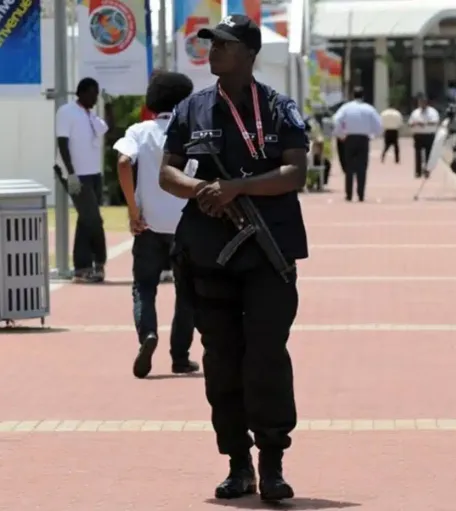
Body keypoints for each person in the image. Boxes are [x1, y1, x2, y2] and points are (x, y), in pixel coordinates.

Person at [159, 14, 308, 503]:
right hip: (208, 254)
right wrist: (203, 189)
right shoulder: (191, 110)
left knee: (265, 356)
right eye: (211, 43)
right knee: (221, 360)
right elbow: (168, 173)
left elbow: (293, 172)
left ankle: (273, 461)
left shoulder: (280, 108)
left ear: (248, 53)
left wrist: (238, 188)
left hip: (268, 253)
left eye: (222, 44)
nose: (212, 50)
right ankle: (237, 462)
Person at [113, 71, 199, 379]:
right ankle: (180, 357)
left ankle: (147, 335)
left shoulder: (139, 130)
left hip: (148, 225)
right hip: (185, 225)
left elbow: (123, 162)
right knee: (186, 292)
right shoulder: (189, 132)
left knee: (144, 287)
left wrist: (134, 211)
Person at [55, 77, 112, 283]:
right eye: (93, 94)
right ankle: (99, 263)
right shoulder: (67, 111)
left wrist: (110, 105)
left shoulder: (91, 115)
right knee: (94, 220)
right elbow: (62, 142)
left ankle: (81, 267)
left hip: (93, 174)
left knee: (86, 219)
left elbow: (108, 128)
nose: (96, 98)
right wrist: (70, 173)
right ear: (82, 92)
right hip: (74, 174)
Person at [333, 86, 382, 202]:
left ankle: (349, 194)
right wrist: (372, 135)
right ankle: (361, 194)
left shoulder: (346, 108)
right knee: (362, 167)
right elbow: (379, 126)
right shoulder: (369, 109)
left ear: (352, 95)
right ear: (363, 96)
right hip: (363, 139)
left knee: (349, 167)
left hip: (349, 138)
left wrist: (340, 135)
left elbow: (336, 120)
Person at [407, 94, 440, 178]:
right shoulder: (415, 112)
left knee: (428, 154)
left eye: (423, 102)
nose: (422, 104)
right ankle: (418, 171)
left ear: (426, 103)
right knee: (418, 154)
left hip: (429, 135)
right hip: (418, 135)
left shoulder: (432, 112)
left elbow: (435, 121)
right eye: (420, 102)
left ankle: (427, 171)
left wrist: (424, 123)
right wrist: (415, 123)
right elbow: (410, 123)